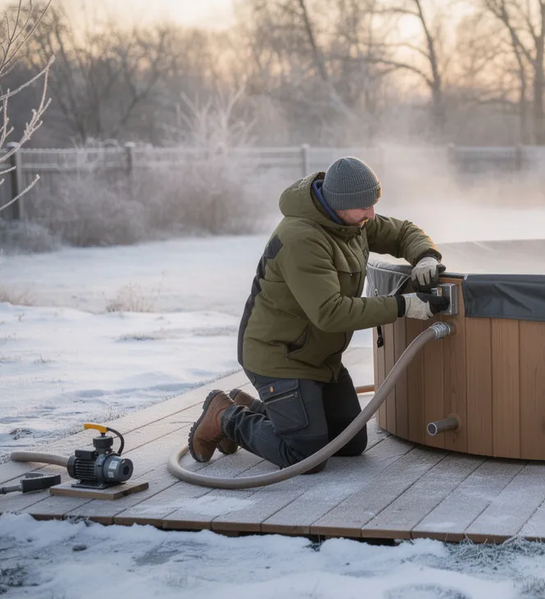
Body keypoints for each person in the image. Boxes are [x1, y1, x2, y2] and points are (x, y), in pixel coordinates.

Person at [187, 157, 448, 471]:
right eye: (364, 206)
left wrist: (425, 256)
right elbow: (331, 313)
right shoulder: (303, 239)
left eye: (373, 204)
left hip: (320, 358)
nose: (371, 213)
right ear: (339, 203)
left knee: (349, 443)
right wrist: (404, 306)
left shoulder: (353, 221)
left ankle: (250, 407)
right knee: (306, 457)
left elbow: (403, 232)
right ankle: (225, 415)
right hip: (280, 356)